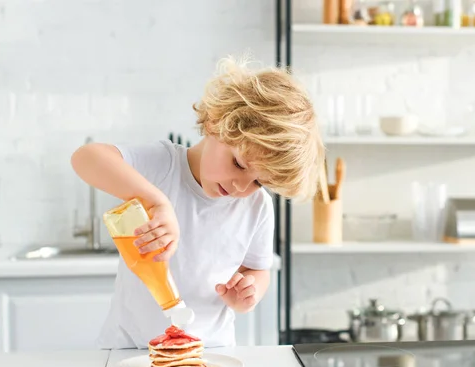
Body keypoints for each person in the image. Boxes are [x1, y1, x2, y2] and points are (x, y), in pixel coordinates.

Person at [71, 56, 325, 349]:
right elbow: (85, 158)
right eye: (240, 165)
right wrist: (156, 202)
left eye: (259, 181)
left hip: (209, 353)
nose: (241, 186)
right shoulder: (162, 166)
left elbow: (257, 268)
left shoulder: (257, 207)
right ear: (217, 122)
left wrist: (248, 292)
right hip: (129, 349)